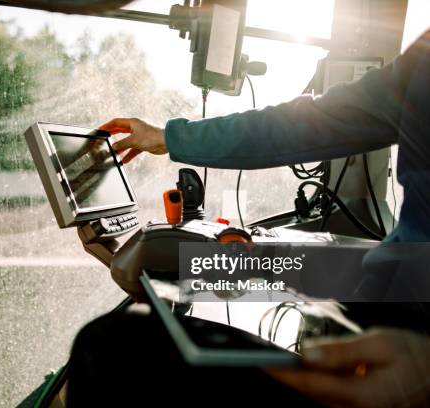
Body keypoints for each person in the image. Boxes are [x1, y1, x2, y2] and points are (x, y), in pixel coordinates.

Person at [67, 31, 430, 407]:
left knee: (111, 349)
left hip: (410, 341)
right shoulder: (423, 59)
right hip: (388, 297)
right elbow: (306, 123)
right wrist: (171, 138)